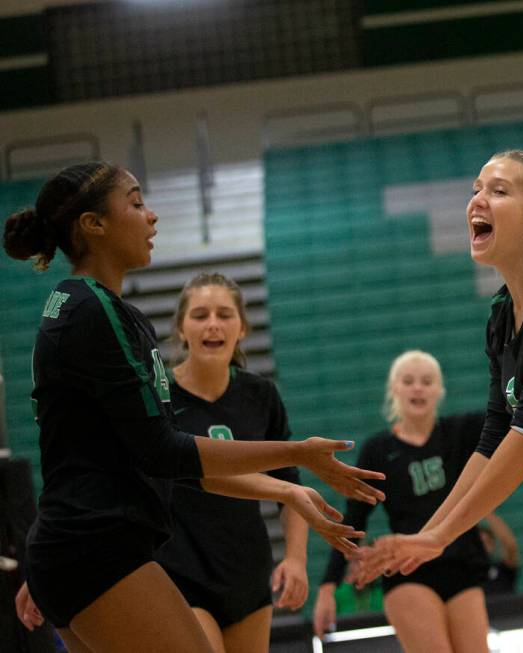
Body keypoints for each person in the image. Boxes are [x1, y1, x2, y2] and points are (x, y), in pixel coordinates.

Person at [3, 161, 384, 653]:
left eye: (226, 314)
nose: (152, 216)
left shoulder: (83, 304)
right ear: (92, 224)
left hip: (79, 549)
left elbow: (166, 462)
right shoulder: (93, 310)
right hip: (97, 549)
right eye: (136, 203)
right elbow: (165, 451)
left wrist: (289, 490)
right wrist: (299, 453)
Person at [354, 150, 523, 653]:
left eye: (499, 190)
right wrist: (430, 536)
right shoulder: (501, 315)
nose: (478, 199)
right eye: (477, 188)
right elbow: (494, 437)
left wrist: (440, 536)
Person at [152, 272, 310, 653]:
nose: (213, 324)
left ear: (242, 328)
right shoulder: (158, 398)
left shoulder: (259, 395)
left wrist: (295, 558)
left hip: (247, 573)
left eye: (224, 315)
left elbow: (290, 483)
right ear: (181, 328)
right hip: (178, 572)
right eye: (200, 314)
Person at [313, 350, 491, 653]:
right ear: (394, 389)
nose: (417, 388)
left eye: (426, 381)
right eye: (408, 381)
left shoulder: (461, 432)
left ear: (440, 390)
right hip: (408, 573)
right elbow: (354, 519)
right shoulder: (378, 450)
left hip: (461, 567)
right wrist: (328, 586)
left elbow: (511, 412)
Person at [479, 513, 520, 596]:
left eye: (487, 542)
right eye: (480, 543)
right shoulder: (467, 575)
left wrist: (488, 513)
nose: (484, 546)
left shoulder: (503, 570)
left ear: (492, 545)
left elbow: (510, 547)